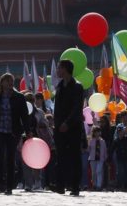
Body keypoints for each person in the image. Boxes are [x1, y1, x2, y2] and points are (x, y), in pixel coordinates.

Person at [0, 71, 31, 195]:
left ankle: (9, 186)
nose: (10, 83)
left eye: (11, 81)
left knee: (10, 158)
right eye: (7, 80)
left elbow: (24, 116)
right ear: (2, 83)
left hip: (13, 131)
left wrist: (28, 131)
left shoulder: (19, 97)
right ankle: (0, 184)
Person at [52, 58, 84, 197]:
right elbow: (57, 109)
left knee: (74, 157)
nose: (57, 70)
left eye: (59, 68)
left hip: (73, 127)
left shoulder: (77, 86)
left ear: (65, 69)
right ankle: (60, 185)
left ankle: (75, 186)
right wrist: (57, 124)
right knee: (60, 157)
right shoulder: (59, 86)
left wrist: (67, 123)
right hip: (59, 128)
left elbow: (77, 108)